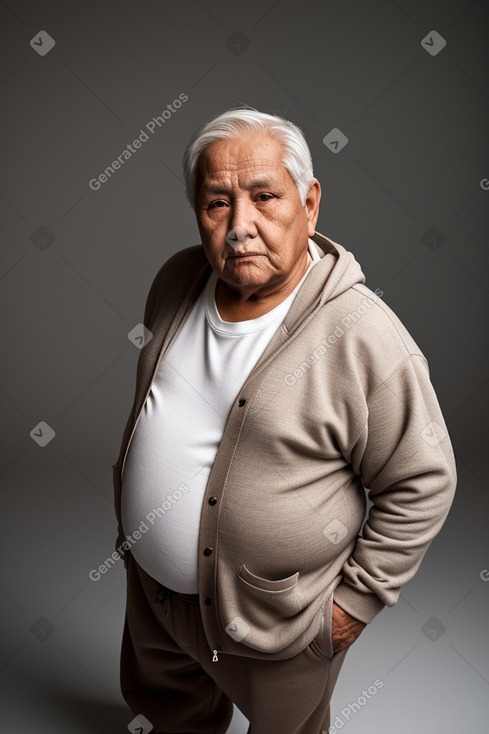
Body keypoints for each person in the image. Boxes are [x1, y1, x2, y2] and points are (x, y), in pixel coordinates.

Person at [112, 108, 456, 734]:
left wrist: (355, 603)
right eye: (218, 203)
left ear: (310, 203)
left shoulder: (361, 333)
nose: (240, 226)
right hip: (155, 603)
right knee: (169, 717)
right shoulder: (176, 281)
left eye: (265, 198)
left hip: (275, 621)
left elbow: (424, 478)